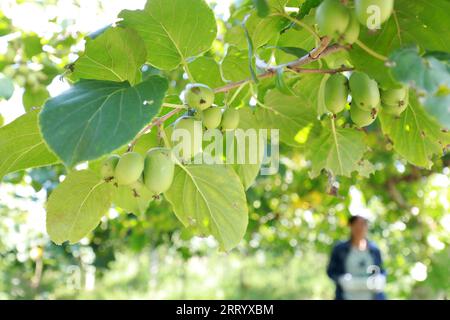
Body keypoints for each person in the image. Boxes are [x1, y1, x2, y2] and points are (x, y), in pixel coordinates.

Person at [327, 215, 387, 300]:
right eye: (356, 224)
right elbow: (331, 271)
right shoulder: (339, 249)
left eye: (363, 224)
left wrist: (380, 278)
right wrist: (341, 279)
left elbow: (381, 270)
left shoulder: (374, 250)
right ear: (350, 226)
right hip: (346, 296)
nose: (360, 228)